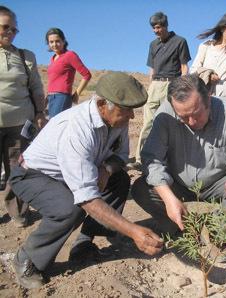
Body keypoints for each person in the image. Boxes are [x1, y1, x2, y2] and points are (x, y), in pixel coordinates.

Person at [9, 72, 163, 289]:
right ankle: (28, 259)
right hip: (32, 175)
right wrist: (133, 231)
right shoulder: (76, 128)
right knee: (68, 209)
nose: (132, 116)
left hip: (74, 173)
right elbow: (87, 199)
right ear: (102, 104)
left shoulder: (117, 118)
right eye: (126, 110)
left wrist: (107, 169)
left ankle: (84, 244)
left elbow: (120, 156)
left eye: (132, 109)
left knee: (119, 180)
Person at [131, 74, 226, 240]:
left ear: (208, 98)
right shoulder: (165, 115)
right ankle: (180, 228)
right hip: (178, 185)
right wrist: (169, 199)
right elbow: (152, 160)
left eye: (196, 114)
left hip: (218, 185)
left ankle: (216, 234)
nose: (191, 122)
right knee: (141, 189)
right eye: (183, 117)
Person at [0, 5, 46, 227]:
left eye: (14, 29)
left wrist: (39, 113)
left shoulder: (25, 56)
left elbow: (36, 88)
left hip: (19, 123)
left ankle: (17, 212)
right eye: (4, 27)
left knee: (16, 169)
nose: (9, 32)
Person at [133, 12, 191, 170]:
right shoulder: (153, 45)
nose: (155, 31)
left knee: (171, 122)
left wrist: (182, 87)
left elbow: (184, 67)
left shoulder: (180, 41)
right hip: (155, 85)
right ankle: (140, 158)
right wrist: (149, 86)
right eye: (153, 28)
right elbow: (151, 69)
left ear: (165, 25)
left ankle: (172, 159)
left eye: (158, 27)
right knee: (147, 123)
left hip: (172, 84)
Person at [45, 27, 91, 118]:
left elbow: (87, 74)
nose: (54, 44)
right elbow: (53, 80)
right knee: (52, 126)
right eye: (51, 42)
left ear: (64, 41)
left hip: (61, 97)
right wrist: (47, 97)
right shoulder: (53, 58)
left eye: (57, 41)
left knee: (56, 126)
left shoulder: (70, 55)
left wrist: (77, 94)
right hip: (51, 97)